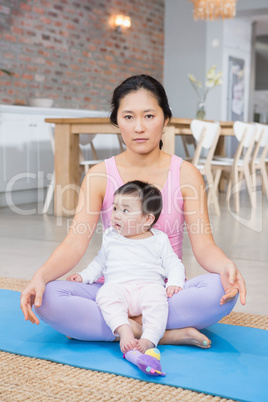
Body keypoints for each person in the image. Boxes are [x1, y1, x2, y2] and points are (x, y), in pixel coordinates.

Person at [20, 74, 247, 349]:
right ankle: (161, 333)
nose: (139, 127)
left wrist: (226, 267)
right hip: (111, 290)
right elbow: (75, 242)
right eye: (128, 117)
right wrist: (40, 277)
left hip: (163, 293)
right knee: (48, 298)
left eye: (149, 116)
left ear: (165, 119)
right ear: (117, 121)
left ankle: (114, 328)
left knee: (222, 289)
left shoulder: (186, 174)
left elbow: (204, 246)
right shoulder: (99, 175)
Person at [67, 180, 185, 353]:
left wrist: (175, 282)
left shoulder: (159, 239)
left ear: (147, 219)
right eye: (115, 208)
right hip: (117, 287)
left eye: (125, 210)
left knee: (158, 303)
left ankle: (149, 338)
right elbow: (100, 261)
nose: (116, 215)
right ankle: (124, 329)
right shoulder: (110, 236)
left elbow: (173, 263)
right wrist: (84, 276)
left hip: (148, 286)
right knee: (105, 296)